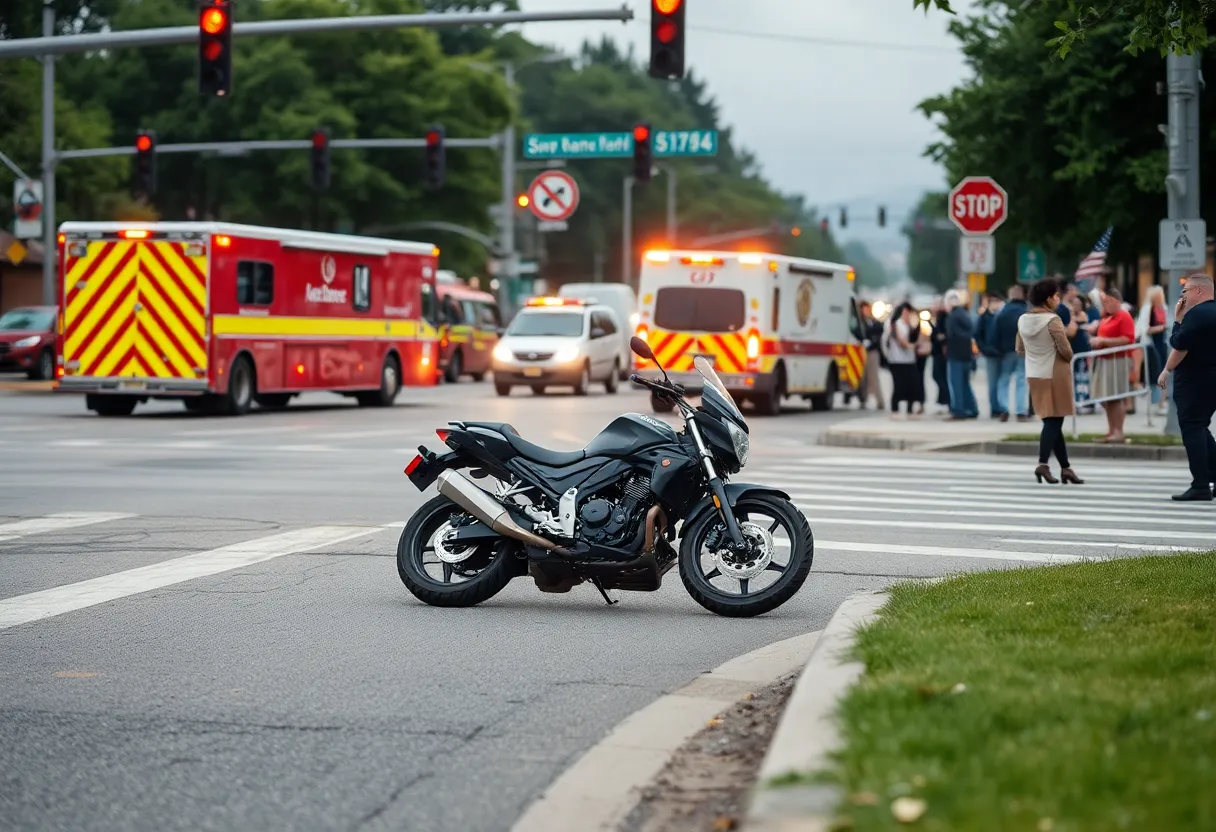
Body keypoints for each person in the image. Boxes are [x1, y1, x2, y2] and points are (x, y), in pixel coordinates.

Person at [1017, 278, 1084, 485]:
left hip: (1035, 373)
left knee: (1052, 422)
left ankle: (1066, 468)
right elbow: (1067, 351)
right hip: (1055, 373)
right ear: (1048, 299)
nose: (1057, 299)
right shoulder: (1052, 320)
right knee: (1055, 421)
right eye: (1055, 296)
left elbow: (1019, 348)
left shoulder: (1023, 319)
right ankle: (1043, 463)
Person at [1157, 274, 1216, 501]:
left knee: (1192, 427)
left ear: (1199, 292)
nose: (1182, 295)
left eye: (1186, 290)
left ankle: (1200, 484)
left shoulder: (1196, 314)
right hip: (1211, 379)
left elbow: (1179, 344)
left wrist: (1177, 320)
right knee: (1201, 427)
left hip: (1194, 380)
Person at [1090, 288, 1136, 443]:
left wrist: (1104, 341)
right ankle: (1111, 431)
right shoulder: (1107, 317)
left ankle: (1118, 431)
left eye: (1108, 301)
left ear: (1117, 301)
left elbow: (1128, 339)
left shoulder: (1124, 316)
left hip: (1118, 360)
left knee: (1115, 397)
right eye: (1104, 302)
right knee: (1106, 398)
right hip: (1105, 358)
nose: (1106, 305)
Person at [994, 285, 1030, 422]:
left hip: (1007, 350)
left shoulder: (1003, 312)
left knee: (1004, 379)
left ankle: (1004, 408)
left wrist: (999, 350)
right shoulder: (1026, 312)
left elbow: (996, 333)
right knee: (1021, 379)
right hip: (1023, 350)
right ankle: (1020, 411)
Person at [944, 289, 979, 419]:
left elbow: (952, 335)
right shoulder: (965, 314)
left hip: (956, 355)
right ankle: (972, 408)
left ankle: (958, 410)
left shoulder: (952, 317)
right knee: (965, 383)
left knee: (956, 384)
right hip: (967, 355)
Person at [883, 303, 920, 419]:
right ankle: (895, 409)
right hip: (897, 359)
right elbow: (900, 341)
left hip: (909, 359)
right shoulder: (895, 324)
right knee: (898, 385)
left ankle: (910, 409)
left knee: (912, 384)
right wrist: (911, 346)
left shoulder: (910, 324)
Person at [1138, 285, 1170, 414]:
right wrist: (1161, 328)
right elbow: (1144, 328)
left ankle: (1162, 402)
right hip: (1152, 344)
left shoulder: (1164, 309)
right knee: (1155, 372)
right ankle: (1157, 401)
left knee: (1164, 372)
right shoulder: (1148, 309)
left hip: (1163, 343)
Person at [974, 292, 1005, 419]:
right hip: (991, 354)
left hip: (1003, 353)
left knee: (1002, 381)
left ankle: (1002, 406)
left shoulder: (1003, 316)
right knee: (993, 382)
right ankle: (995, 408)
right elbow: (977, 334)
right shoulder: (984, 317)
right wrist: (984, 349)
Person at [856, 301, 885, 410]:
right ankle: (863, 399)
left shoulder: (873, 322)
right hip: (861, 351)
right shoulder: (859, 323)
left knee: (874, 377)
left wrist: (872, 341)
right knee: (863, 377)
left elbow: (879, 332)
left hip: (872, 351)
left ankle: (880, 401)